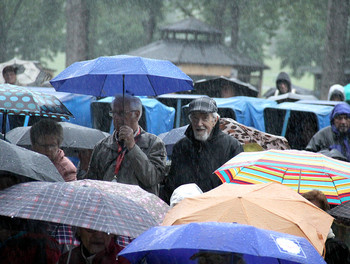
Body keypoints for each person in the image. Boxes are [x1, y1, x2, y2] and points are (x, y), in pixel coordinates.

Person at [163, 97, 243, 203]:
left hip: (216, 208)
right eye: (195, 118)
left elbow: (237, 185)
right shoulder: (181, 146)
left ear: (215, 120)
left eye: (204, 118)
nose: (199, 123)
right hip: (185, 208)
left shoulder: (232, 146)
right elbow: (172, 184)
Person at [85, 94, 167, 195]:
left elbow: (152, 178)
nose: (116, 118)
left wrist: (132, 147)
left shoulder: (154, 143)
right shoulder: (102, 146)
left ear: (136, 115)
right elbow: (92, 184)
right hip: (109, 204)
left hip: (139, 205)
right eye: (113, 113)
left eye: (122, 113)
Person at [301, 190, 350, 264]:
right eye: (306, 210)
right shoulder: (294, 243)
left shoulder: (335, 248)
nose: (309, 216)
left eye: (314, 211)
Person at [58, 227, 130, 264]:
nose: (98, 235)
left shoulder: (125, 260)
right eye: (91, 228)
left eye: (105, 229)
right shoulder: (67, 259)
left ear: (113, 234)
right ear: (79, 230)